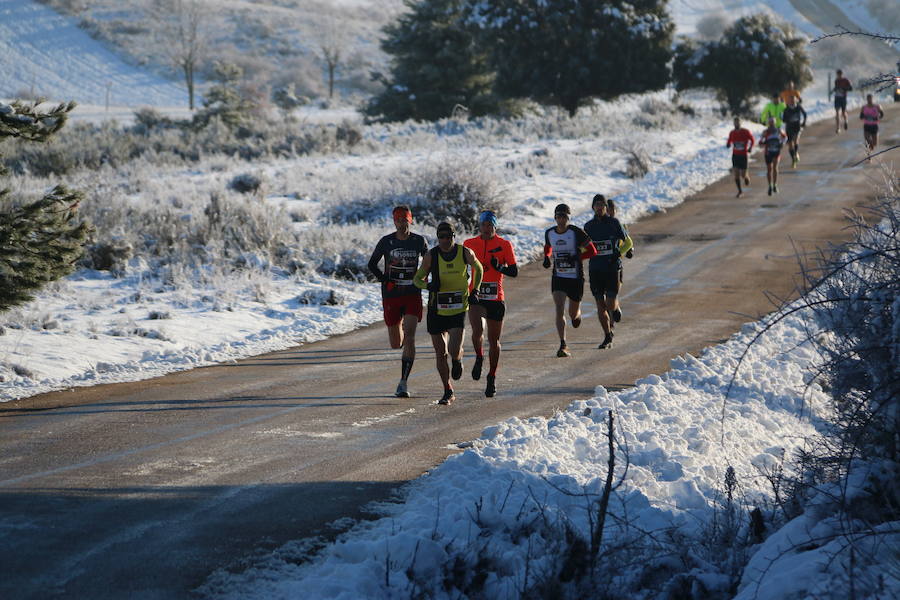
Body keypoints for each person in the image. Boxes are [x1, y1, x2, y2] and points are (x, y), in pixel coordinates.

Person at [413, 222, 483, 405]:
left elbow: (479, 268)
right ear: (438, 237)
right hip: (437, 308)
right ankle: (447, 389)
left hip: (458, 308)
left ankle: (458, 358)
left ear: (454, 236)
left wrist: (475, 289)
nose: (445, 240)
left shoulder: (464, 252)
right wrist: (428, 285)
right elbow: (417, 279)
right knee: (440, 352)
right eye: (441, 237)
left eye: (448, 236)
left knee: (452, 350)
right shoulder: (431, 256)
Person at [367, 206, 428, 398]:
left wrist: (425, 278)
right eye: (399, 220)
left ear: (411, 221)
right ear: (394, 222)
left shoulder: (419, 241)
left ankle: (403, 382)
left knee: (410, 337)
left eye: (405, 220)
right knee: (396, 343)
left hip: (412, 293)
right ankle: (399, 331)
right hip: (392, 295)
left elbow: (429, 262)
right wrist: (384, 279)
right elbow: (371, 264)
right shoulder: (387, 241)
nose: (402, 223)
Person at [463, 210, 518, 397]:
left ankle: (492, 376)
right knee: (477, 331)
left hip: (496, 298)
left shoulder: (504, 244)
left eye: (490, 225)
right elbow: (462, 268)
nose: (486, 229)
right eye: (484, 225)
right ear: (479, 226)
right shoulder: (469, 244)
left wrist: (499, 267)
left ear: (495, 227)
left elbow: (514, 271)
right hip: (476, 296)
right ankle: (479, 356)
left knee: (494, 341)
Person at [542, 203, 597, 357]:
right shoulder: (549, 233)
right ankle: (563, 344)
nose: (561, 219)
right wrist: (546, 257)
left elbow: (592, 251)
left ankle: (577, 315)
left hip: (575, 278)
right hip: (558, 277)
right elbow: (548, 247)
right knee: (559, 308)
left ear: (568, 218)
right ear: (555, 218)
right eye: (559, 216)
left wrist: (577, 256)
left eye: (564, 216)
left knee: (572, 313)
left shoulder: (576, 232)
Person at [584, 194, 631, 349]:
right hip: (595, 269)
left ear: (606, 207)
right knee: (600, 304)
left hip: (612, 268)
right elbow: (584, 247)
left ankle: (615, 308)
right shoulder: (588, 226)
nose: (599, 207)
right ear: (593, 207)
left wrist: (619, 253)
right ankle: (607, 335)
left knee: (610, 303)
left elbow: (627, 242)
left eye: (602, 205)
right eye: (596, 205)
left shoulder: (614, 223)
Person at [726, 117, 755, 197]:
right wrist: (728, 144)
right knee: (736, 173)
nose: (736, 124)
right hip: (735, 155)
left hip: (743, 155)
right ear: (733, 124)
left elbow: (752, 140)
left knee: (743, 174)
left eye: (738, 123)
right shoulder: (732, 133)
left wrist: (750, 148)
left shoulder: (745, 132)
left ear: (740, 123)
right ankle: (740, 191)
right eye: (735, 123)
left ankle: (746, 177)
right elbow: (729, 141)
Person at [759, 117, 787, 196]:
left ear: (775, 123)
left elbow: (785, 137)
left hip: (776, 151)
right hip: (768, 152)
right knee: (769, 169)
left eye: (772, 122)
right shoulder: (765, 132)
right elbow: (760, 142)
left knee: (775, 168)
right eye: (770, 122)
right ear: (768, 123)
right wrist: (763, 144)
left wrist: (782, 144)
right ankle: (770, 186)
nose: (771, 124)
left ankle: (775, 185)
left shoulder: (778, 130)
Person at [781, 96, 807, 168]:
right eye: (790, 100)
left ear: (796, 101)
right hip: (789, 128)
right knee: (790, 145)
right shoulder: (786, 109)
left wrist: (804, 122)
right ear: (788, 101)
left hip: (797, 126)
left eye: (793, 100)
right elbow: (783, 119)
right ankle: (793, 159)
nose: (792, 102)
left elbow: (805, 114)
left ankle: (795, 154)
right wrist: (786, 119)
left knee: (796, 140)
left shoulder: (798, 107)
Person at [834, 69, 853, 133]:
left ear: (841, 74)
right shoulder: (836, 81)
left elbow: (851, 88)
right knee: (837, 113)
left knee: (843, 112)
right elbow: (836, 87)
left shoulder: (846, 80)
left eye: (839, 74)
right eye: (837, 74)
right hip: (837, 98)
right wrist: (835, 89)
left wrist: (843, 89)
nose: (838, 76)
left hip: (843, 98)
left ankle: (846, 121)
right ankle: (838, 128)